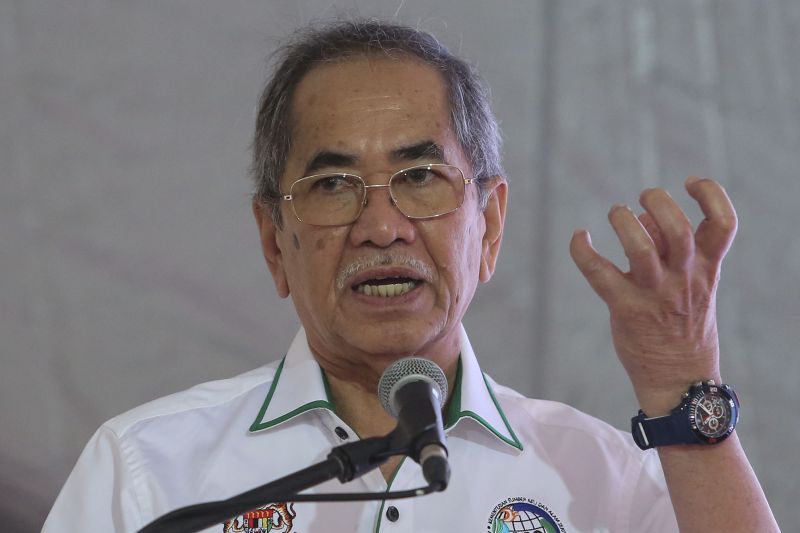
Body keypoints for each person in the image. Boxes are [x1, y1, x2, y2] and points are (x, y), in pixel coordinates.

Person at [43, 19, 779, 532]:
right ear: (274, 241)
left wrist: (683, 388)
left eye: (421, 176)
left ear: (488, 226)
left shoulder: (600, 479)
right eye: (332, 186)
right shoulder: (149, 473)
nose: (381, 225)